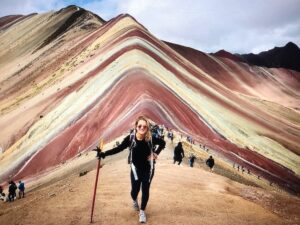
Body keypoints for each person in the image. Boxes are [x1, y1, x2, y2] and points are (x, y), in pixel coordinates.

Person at [95, 116, 166, 223]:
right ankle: (134, 200)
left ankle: (142, 211)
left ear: (147, 128)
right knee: (134, 191)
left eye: (145, 126)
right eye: (140, 126)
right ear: (136, 127)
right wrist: (104, 154)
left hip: (148, 169)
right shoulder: (131, 138)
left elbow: (163, 143)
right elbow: (118, 148)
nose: (142, 128)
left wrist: (155, 153)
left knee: (145, 190)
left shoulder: (150, 138)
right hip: (135, 169)